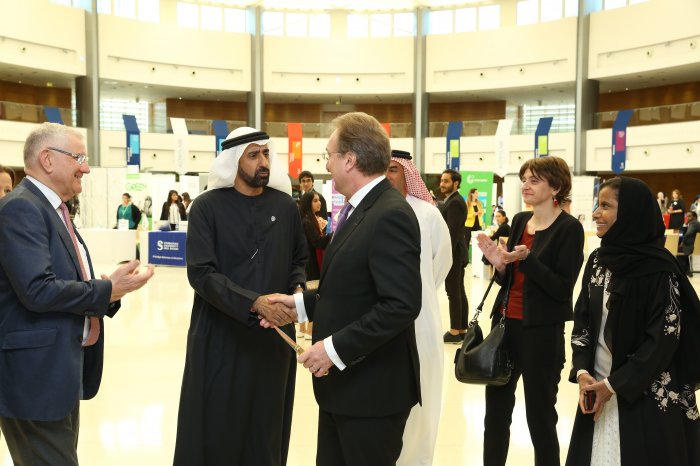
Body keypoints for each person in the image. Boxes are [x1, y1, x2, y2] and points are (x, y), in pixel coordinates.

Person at [268, 112, 422, 466]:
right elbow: (350, 287)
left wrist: (332, 349)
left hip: (372, 394)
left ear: (350, 159)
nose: (326, 164)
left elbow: (400, 305)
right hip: (345, 389)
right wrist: (299, 305)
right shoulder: (360, 208)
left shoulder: (390, 213)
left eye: (330, 155)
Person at [0, 122, 154, 466]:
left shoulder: (53, 209)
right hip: (34, 379)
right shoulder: (22, 208)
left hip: (57, 373)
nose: (86, 168)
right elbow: (37, 290)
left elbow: (61, 281)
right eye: (79, 157)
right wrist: (106, 290)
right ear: (47, 159)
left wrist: (110, 290)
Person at [173, 126, 307, 466]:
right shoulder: (206, 207)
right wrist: (254, 302)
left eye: (266, 154)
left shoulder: (285, 207)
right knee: (219, 427)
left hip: (273, 339)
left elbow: (298, 260)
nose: (263, 162)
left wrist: (296, 294)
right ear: (233, 161)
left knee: (266, 428)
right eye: (254, 155)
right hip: (221, 337)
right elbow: (201, 273)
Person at [566, 176, 700, 466]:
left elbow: (663, 339)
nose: (596, 213)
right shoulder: (598, 260)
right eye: (597, 205)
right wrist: (583, 371)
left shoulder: (659, 270)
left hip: (644, 396)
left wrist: (613, 385)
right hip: (596, 390)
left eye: (606, 206)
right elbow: (583, 319)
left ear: (631, 213)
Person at [476, 156, 584, 466]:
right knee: (495, 414)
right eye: (524, 179)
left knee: (540, 416)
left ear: (556, 187)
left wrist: (527, 260)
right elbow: (510, 278)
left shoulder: (569, 228)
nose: (525, 185)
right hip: (504, 327)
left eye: (534, 180)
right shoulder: (520, 220)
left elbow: (561, 288)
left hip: (541, 332)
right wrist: (500, 265)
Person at [386, 149, 452, 466]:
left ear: (408, 174)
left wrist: (420, 294)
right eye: (382, 169)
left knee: (422, 398)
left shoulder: (428, 214)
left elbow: (442, 264)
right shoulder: (370, 210)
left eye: (393, 170)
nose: (387, 176)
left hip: (421, 319)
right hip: (380, 321)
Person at [440, 168, 469, 343]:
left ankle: (454, 331)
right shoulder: (453, 200)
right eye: (442, 180)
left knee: (453, 292)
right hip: (457, 252)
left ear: (455, 183)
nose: (442, 184)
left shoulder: (455, 202)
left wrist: (445, 256)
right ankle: (462, 329)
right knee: (458, 290)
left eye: (446, 181)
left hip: (454, 253)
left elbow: (451, 233)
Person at [298, 190, 332, 340]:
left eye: (319, 200)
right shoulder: (307, 221)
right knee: (311, 296)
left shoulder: (312, 219)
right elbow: (317, 242)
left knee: (308, 295)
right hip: (311, 265)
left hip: (311, 263)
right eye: (315, 201)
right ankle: (307, 330)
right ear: (308, 203)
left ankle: (305, 330)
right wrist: (334, 235)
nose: (319, 204)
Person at [677, 210, 700, 276]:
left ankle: (685, 271)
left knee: (679, 251)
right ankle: (687, 270)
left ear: (694, 217)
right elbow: (682, 232)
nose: (687, 218)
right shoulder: (694, 223)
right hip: (692, 245)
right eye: (687, 216)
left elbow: (688, 234)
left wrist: (683, 242)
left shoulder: (693, 223)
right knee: (683, 252)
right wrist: (685, 224)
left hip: (692, 246)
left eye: (689, 216)